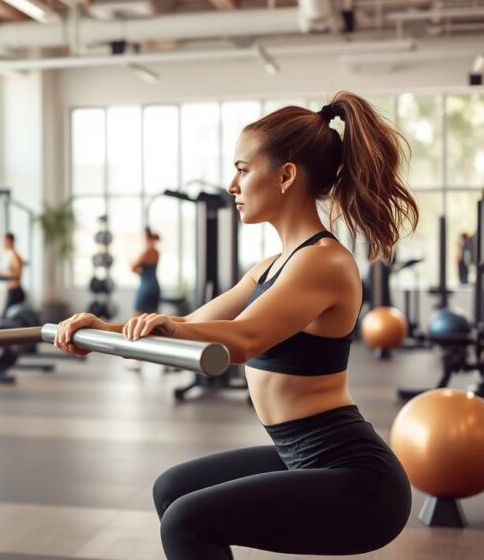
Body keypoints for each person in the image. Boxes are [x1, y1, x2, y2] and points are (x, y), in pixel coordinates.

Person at [53, 92, 417, 559]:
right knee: (172, 490)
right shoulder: (271, 267)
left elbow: (243, 338)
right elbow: (187, 323)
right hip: (298, 455)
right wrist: (101, 329)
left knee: (188, 521)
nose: (232, 184)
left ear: (286, 175)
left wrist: (160, 328)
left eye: (243, 169)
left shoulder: (323, 262)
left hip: (357, 481)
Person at [131, 228, 161, 316]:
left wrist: (139, 269)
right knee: (153, 317)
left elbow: (133, 266)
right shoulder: (156, 252)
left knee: (136, 317)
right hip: (155, 287)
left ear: (147, 238)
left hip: (146, 288)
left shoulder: (147, 252)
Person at [0, 233, 25, 312]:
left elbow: (16, 274)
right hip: (12, 291)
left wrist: (3, 274)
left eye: (4, 241)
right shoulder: (13, 256)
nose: (3, 243)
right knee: (6, 316)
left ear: (9, 241)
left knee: (7, 319)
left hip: (15, 292)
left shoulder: (15, 257)